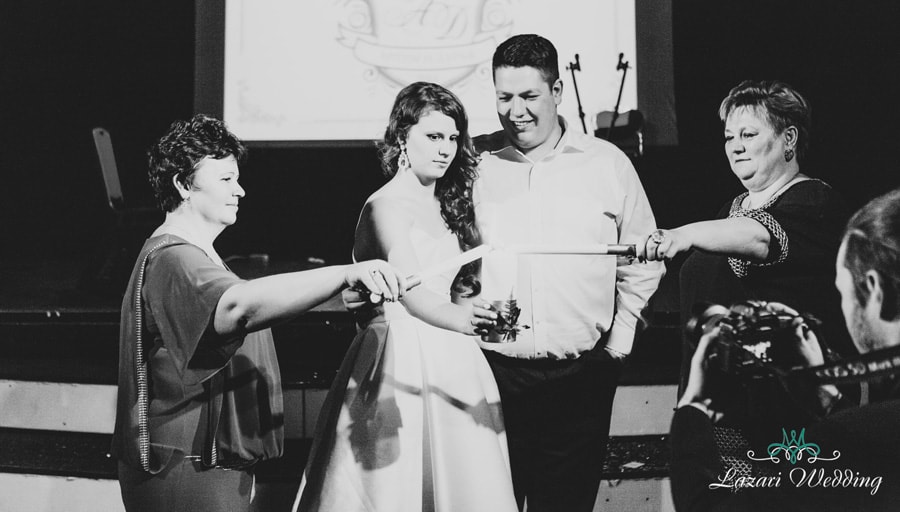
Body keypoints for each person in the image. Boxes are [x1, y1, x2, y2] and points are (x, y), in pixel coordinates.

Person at [111, 115, 406, 512]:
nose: (240, 190)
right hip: (185, 463)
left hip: (204, 461)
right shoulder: (174, 258)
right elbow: (239, 308)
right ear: (183, 184)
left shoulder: (194, 256)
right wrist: (342, 274)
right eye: (225, 179)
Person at [294, 82, 518, 512]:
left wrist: (478, 312)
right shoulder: (385, 207)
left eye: (453, 137)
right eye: (433, 136)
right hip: (398, 359)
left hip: (455, 360)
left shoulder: (452, 204)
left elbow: (461, 288)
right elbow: (412, 292)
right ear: (402, 137)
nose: (446, 148)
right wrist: (466, 321)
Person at [473, 34, 666, 512]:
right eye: (504, 96)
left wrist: (617, 346)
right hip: (490, 375)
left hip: (580, 378)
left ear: (557, 91)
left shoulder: (608, 164)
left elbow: (643, 258)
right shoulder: (474, 165)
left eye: (529, 96)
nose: (515, 111)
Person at [639, 80, 857, 443]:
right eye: (729, 137)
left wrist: (682, 235)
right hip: (716, 415)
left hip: (783, 421)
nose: (736, 146)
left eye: (748, 134)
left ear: (788, 139)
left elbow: (760, 237)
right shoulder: (732, 210)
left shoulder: (814, 202)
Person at [670, 187, 900, 511]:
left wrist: (693, 409)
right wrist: (828, 399)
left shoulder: (846, 441)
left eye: (842, 291)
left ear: (876, 290)